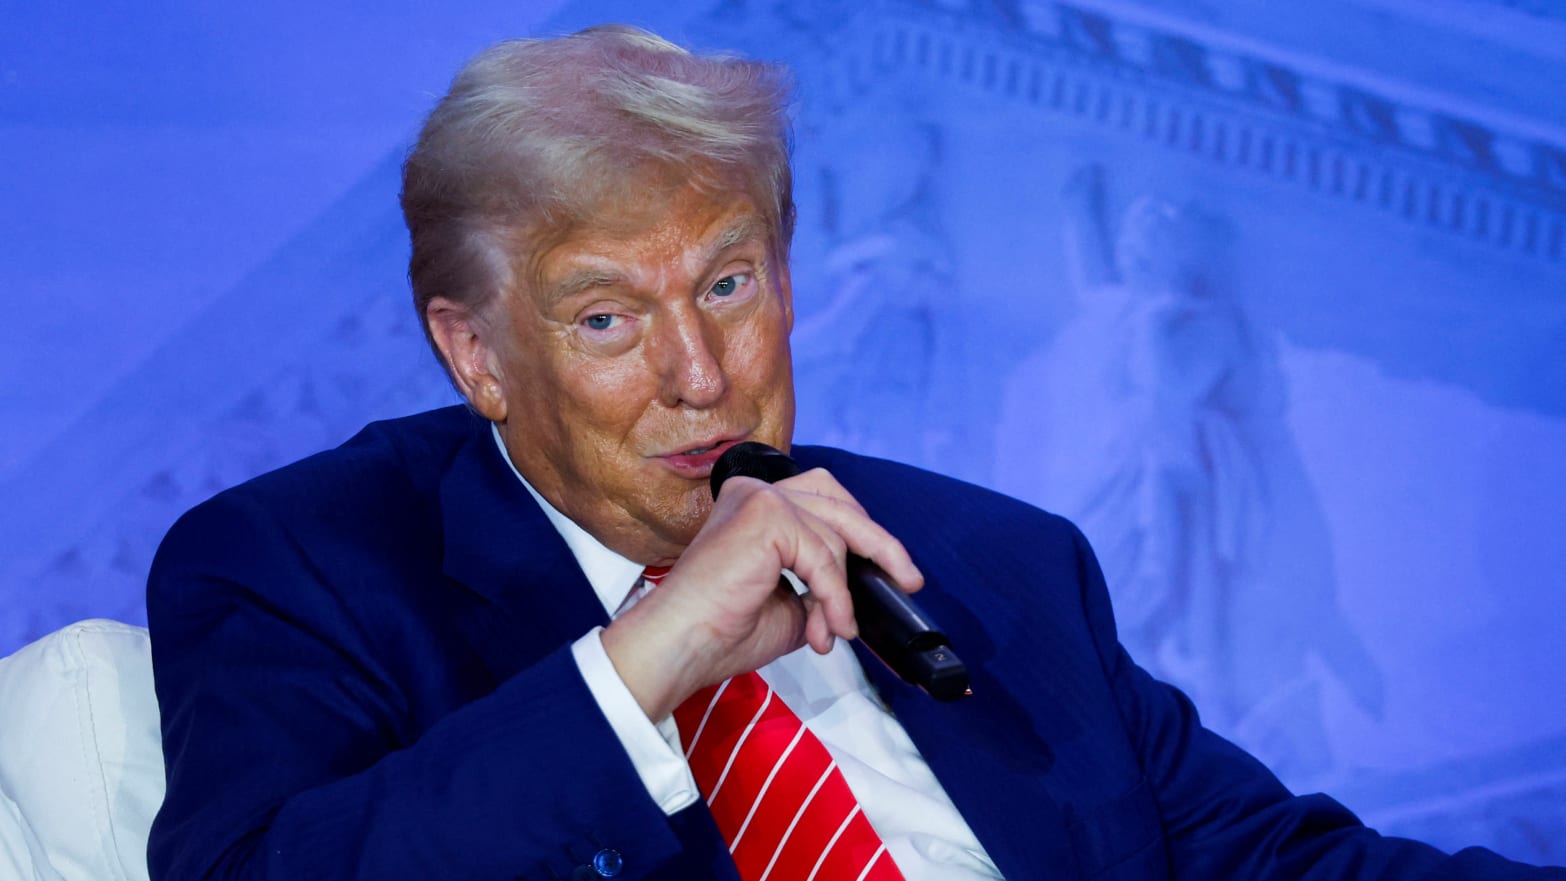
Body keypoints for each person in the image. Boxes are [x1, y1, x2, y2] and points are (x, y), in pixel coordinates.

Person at [145, 24, 1562, 881]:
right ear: (473, 355)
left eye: (727, 284)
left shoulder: (995, 563)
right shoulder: (300, 568)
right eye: (604, 318)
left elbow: (1269, 864)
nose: (697, 374)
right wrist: (649, 661)